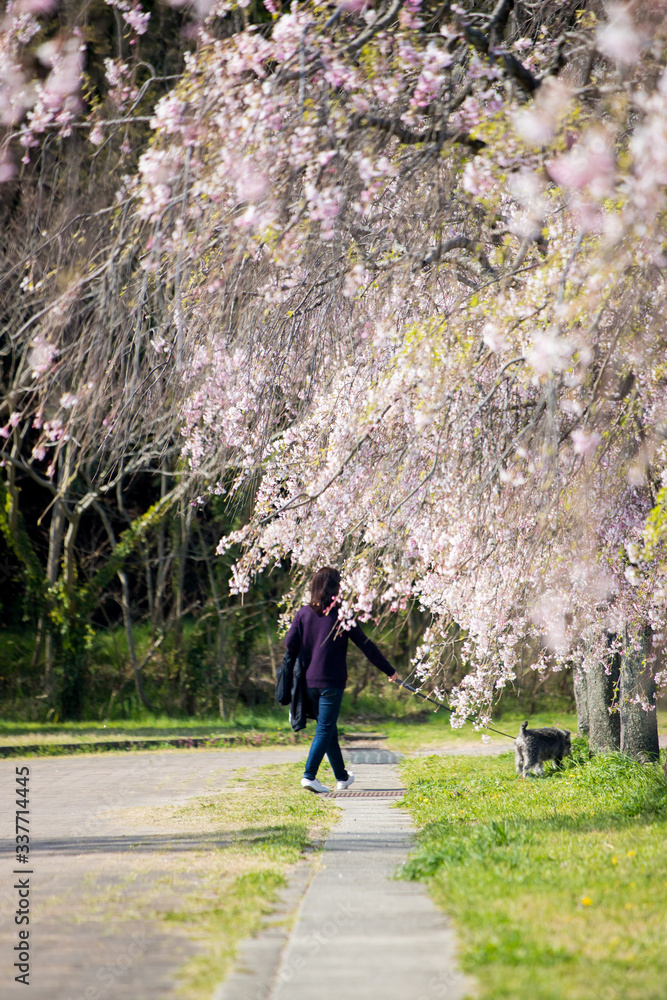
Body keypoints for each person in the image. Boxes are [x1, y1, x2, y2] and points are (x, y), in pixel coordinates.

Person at [284, 566, 398, 793]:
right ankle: (309, 776)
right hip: (331, 682)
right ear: (335, 588)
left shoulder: (303, 614)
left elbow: (289, 644)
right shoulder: (341, 614)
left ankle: (342, 777)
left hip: (308, 682)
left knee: (329, 730)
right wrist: (389, 670)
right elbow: (366, 645)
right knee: (325, 729)